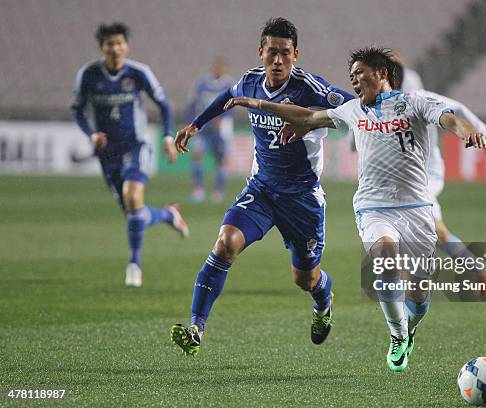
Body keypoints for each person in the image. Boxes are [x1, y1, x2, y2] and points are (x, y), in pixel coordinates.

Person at [222, 47, 486, 372]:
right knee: (385, 255)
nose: (355, 82)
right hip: (373, 207)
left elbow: (448, 118)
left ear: (383, 74)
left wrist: (467, 132)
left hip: (418, 208)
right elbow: (308, 116)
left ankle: (411, 327)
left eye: (361, 75)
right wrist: (257, 103)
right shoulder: (352, 110)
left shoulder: (414, 102)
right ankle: (397, 334)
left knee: (419, 295)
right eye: (352, 77)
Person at [170, 18, 355, 356]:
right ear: (261, 52)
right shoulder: (249, 82)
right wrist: (195, 126)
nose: (278, 60)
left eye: (285, 53)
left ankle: (323, 304)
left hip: (302, 199)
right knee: (225, 243)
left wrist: (310, 121)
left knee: (305, 279)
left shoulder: (310, 87)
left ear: (296, 54)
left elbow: (353, 108)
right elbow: (227, 95)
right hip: (262, 190)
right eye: (272, 52)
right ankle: (196, 327)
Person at [71, 22, 189, 288]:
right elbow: (77, 110)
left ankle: (134, 264)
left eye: (119, 43)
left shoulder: (138, 73)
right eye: (109, 44)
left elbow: (163, 104)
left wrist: (168, 136)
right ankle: (169, 215)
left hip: (135, 145)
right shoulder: (89, 75)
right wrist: (90, 133)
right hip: (107, 153)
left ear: (126, 45)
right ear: (102, 48)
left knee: (133, 196)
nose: (115, 48)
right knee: (134, 214)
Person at [390, 56, 486, 292]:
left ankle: (408, 289)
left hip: (425, 175)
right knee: (438, 233)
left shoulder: (418, 98)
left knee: (410, 224)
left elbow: (457, 109)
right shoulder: (372, 104)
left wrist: (485, 135)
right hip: (399, 178)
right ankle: (478, 268)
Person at [184, 57, 235, 203]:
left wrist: (222, 118)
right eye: (216, 66)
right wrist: (190, 122)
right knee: (198, 155)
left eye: (221, 66)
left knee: (221, 160)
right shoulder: (202, 83)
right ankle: (198, 189)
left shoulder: (229, 84)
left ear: (225, 69)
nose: (218, 69)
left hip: (221, 129)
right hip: (203, 127)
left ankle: (218, 191)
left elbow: (235, 104)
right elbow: (193, 103)